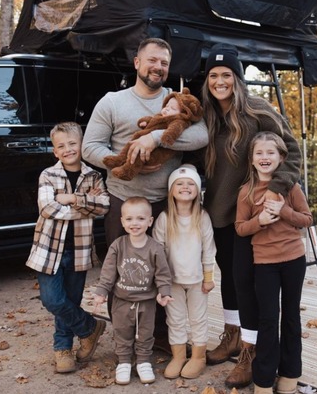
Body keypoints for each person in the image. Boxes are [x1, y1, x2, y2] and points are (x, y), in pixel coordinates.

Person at [82, 37, 208, 353]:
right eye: (152, 60)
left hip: (166, 204)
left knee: (166, 272)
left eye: (164, 63)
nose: (158, 67)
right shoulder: (112, 102)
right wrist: (126, 160)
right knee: (123, 273)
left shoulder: (177, 100)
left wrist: (155, 139)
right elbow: (89, 147)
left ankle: (163, 338)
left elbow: (202, 135)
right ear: (137, 62)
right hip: (123, 201)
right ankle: (125, 339)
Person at [192, 43, 302, 389]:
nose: (220, 81)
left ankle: (251, 354)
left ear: (237, 79)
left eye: (227, 75)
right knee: (231, 279)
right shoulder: (206, 116)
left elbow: (292, 151)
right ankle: (232, 336)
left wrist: (276, 190)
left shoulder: (258, 111)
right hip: (219, 213)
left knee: (248, 285)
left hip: (253, 216)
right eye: (214, 75)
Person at [25, 122, 111, 374]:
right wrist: (85, 208)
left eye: (72, 143)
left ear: (82, 144)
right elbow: (47, 208)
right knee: (52, 300)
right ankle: (89, 327)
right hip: (48, 250)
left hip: (80, 250)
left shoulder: (93, 176)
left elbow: (104, 206)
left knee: (71, 300)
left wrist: (73, 198)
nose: (68, 149)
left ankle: (62, 349)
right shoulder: (48, 175)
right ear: (55, 151)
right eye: (61, 146)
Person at [234, 131, 313, 394]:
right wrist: (260, 222)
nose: (264, 157)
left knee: (291, 316)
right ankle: (264, 380)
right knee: (268, 319)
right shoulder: (246, 191)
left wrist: (284, 211)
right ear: (252, 159)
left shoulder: (291, 187)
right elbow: (240, 228)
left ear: (281, 158)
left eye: (270, 153)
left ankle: (290, 374)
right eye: (259, 153)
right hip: (264, 264)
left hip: (293, 260)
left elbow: (307, 219)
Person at [91, 197, 173, 385]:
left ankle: (143, 361)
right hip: (122, 300)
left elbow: (162, 273)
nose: (134, 223)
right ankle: (124, 362)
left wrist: (164, 291)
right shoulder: (118, 245)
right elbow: (109, 271)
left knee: (145, 333)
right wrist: (102, 291)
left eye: (140, 219)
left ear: (150, 221)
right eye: (129, 219)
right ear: (122, 221)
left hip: (147, 301)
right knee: (122, 332)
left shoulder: (155, 248)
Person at [151, 164, 216, 380]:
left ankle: (198, 357)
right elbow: (157, 252)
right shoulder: (164, 218)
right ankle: (178, 355)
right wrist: (161, 283)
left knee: (198, 318)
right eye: (180, 183)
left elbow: (209, 250)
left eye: (191, 183)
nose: (185, 187)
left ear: (198, 190)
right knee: (175, 318)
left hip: (198, 280)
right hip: (172, 282)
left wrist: (209, 278)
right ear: (171, 190)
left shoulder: (202, 217)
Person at [102, 88, 203, 181]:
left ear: (184, 113)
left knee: (138, 155)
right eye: (167, 106)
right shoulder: (112, 100)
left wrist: (162, 137)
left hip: (155, 151)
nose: (167, 109)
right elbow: (153, 120)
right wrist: (145, 122)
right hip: (120, 193)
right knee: (130, 146)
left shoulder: (178, 120)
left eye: (172, 108)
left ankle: (128, 171)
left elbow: (176, 129)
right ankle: (119, 160)